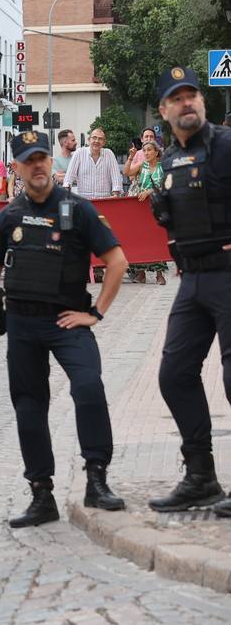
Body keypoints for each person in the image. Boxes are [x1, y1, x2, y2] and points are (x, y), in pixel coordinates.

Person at [0, 130, 128, 527]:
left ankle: (97, 479)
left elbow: (117, 261)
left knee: (89, 387)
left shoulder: (79, 209)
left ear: (49, 162)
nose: (37, 165)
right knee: (28, 406)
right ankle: (41, 493)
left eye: (42, 157)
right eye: (29, 160)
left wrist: (96, 313)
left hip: (67, 321)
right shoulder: (8, 217)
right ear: (18, 168)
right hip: (22, 323)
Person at [146, 68, 231, 515]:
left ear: (202, 101)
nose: (186, 103)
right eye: (176, 98)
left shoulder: (226, 146)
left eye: (191, 95)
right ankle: (201, 477)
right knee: (174, 375)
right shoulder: (166, 164)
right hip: (193, 281)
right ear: (164, 110)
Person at [128, 140, 168, 285]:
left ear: (156, 152)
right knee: (140, 237)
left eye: (149, 150)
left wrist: (150, 191)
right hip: (141, 206)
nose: (146, 153)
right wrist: (131, 158)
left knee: (156, 237)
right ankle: (140, 273)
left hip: (156, 205)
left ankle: (159, 274)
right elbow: (127, 172)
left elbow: (165, 185)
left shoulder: (162, 167)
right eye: (144, 151)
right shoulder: (142, 165)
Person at [64, 128, 123, 199]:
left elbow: (116, 177)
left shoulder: (109, 154)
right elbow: (69, 177)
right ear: (89, 140)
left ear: (104, 142)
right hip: (84, 201)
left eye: (100, 139)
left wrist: (115, 195)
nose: (97, 141)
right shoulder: (79, 153)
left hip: (105, 200)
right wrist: (66, 195)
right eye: (94, 138)